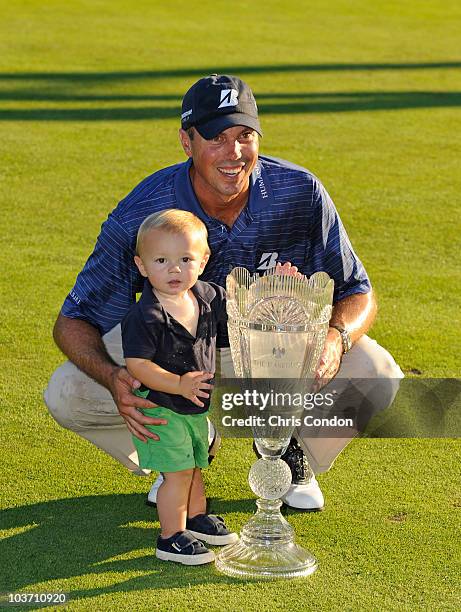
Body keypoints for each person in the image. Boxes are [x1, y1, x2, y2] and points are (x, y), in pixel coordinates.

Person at [44, 74, 403, 513]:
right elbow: (74, 320)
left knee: (379, 375)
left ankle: (287, 455)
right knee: (67, 391)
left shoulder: (300, 191)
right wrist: (112, 378)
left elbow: (357, 291)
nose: (233, 153)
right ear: (186, 141)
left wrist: (336, 338)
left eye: (244, 135)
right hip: (175, 354)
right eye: (215, 137)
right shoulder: (143, 210)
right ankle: (181, 454)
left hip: (274, 352)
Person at [121, 209, 237, 564]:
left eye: (185, 259)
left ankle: (197, 518)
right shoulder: (145, 316)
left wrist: (275, 283)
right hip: (160, 407)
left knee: (195, 462)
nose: (174, 269)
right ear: (142, 266)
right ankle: (170, 537)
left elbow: (243, 308)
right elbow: (138, 366)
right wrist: (178, 383)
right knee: (177, 473)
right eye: (161, 260)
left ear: (203, 261)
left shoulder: (206, 297)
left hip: (193, 406)